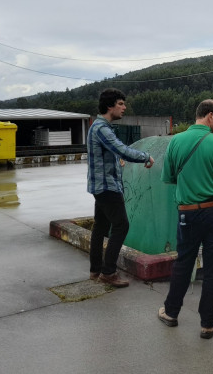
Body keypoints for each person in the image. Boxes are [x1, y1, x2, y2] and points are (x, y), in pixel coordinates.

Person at [157, 100, 213, 340]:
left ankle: (171, 312)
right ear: (210, 116)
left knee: (184, 262)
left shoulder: (176, 141)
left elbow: (169, 177)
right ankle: (207, 324)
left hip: (188, 212)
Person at [86, 88, 154, 288]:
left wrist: (117, 161)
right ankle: (108, 272)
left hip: (101, 186)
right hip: (108, 187)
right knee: (121, 226)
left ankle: (95, 270)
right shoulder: (102, 128)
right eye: (120, 104)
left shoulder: (97, 127)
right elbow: (122, 149)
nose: (124, 108)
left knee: (100, 227)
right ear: (110, 106)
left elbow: (111, 153)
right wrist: (146, 157)